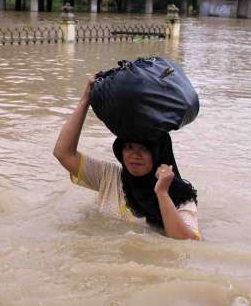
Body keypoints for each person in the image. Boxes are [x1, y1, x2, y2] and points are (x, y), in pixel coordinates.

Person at [53, 77, 201, 241]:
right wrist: (85, 100)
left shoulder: (179, 196)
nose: (134, 155)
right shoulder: (109, 177)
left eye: (144, 149)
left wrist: (162, 193)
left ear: (159, 153)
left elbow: (187, 243)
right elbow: (63, 153)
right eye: (129, 147)